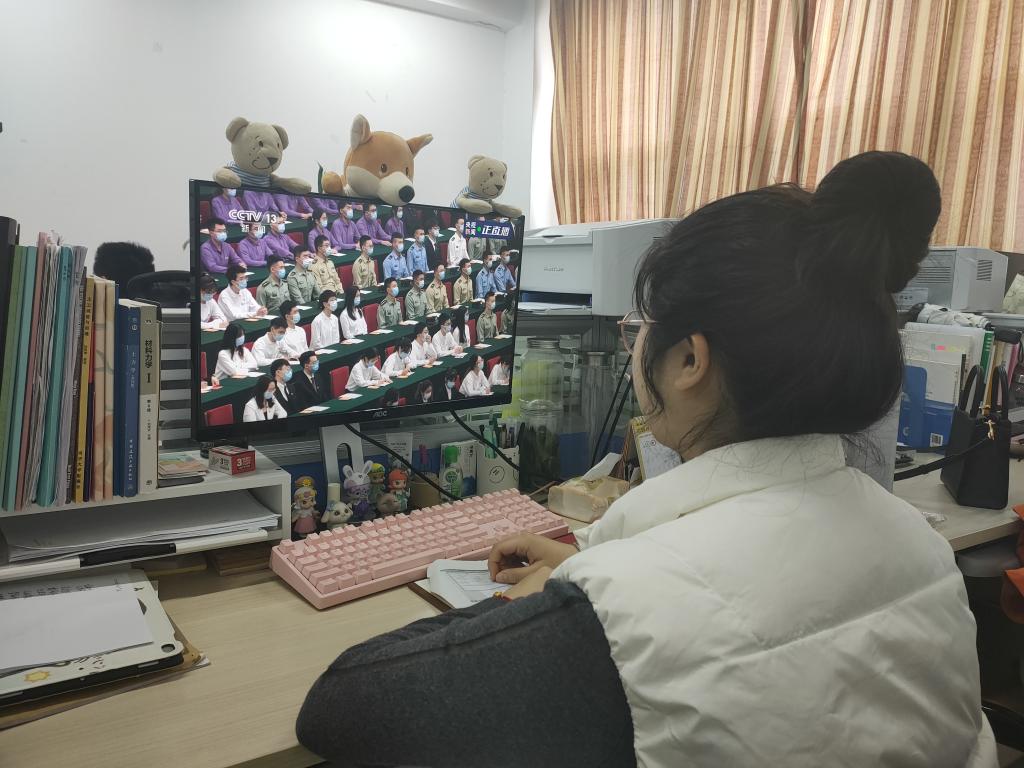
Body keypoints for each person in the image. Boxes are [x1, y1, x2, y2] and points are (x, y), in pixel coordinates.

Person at [296, 152, 997, 768]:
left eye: (640, 328)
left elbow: (341, 706)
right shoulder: (919, 546)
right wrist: (595, 567)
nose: (634, 345)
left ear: (689, 360)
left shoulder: (625, 616)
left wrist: (554, 607)